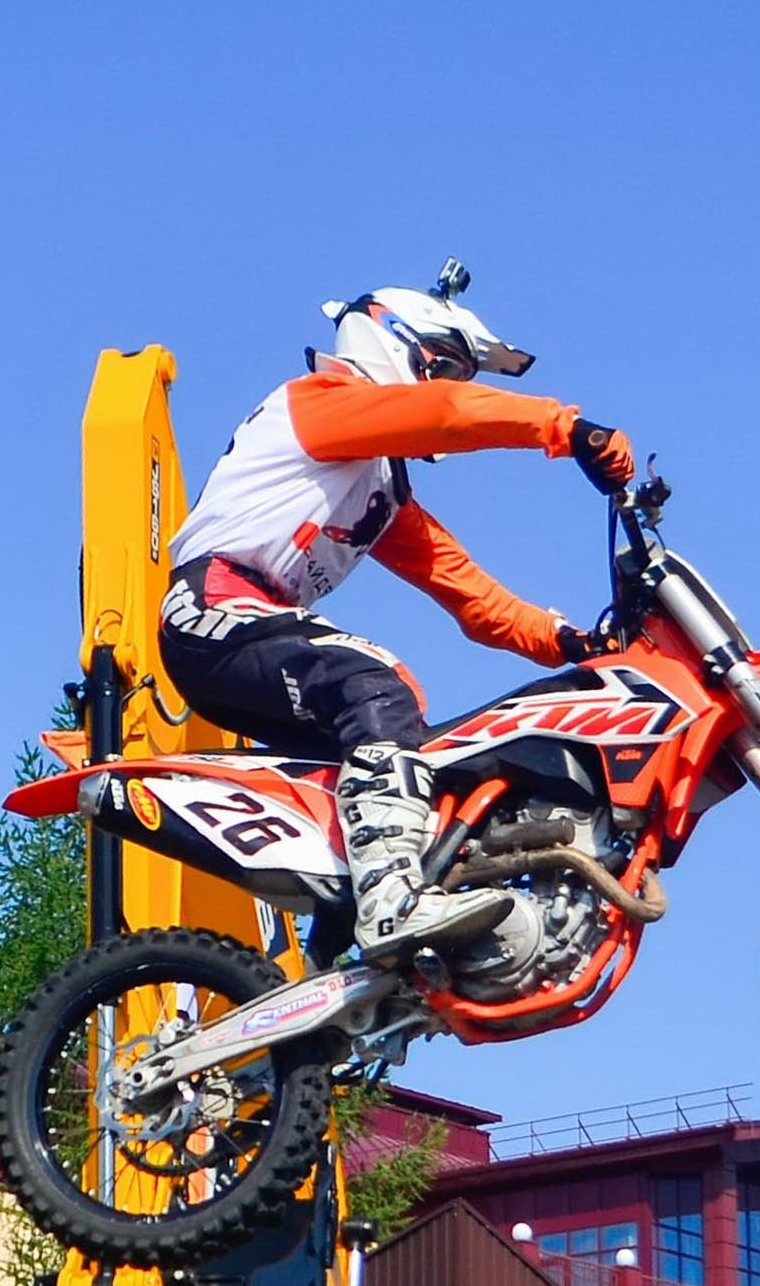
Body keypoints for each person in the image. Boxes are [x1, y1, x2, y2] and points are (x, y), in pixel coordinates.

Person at [158, 265, 643, 960]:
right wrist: (565, 428)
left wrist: (570, 643)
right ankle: (393, 902)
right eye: (444, 364)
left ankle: (328, 975)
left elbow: (468, 591)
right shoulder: (322, 402)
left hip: (248, 629)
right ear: (391, 341)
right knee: (375, 683)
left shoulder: (377, 484)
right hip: (216, 605)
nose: (454, 383)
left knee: (399, 754)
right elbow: (446, 412)